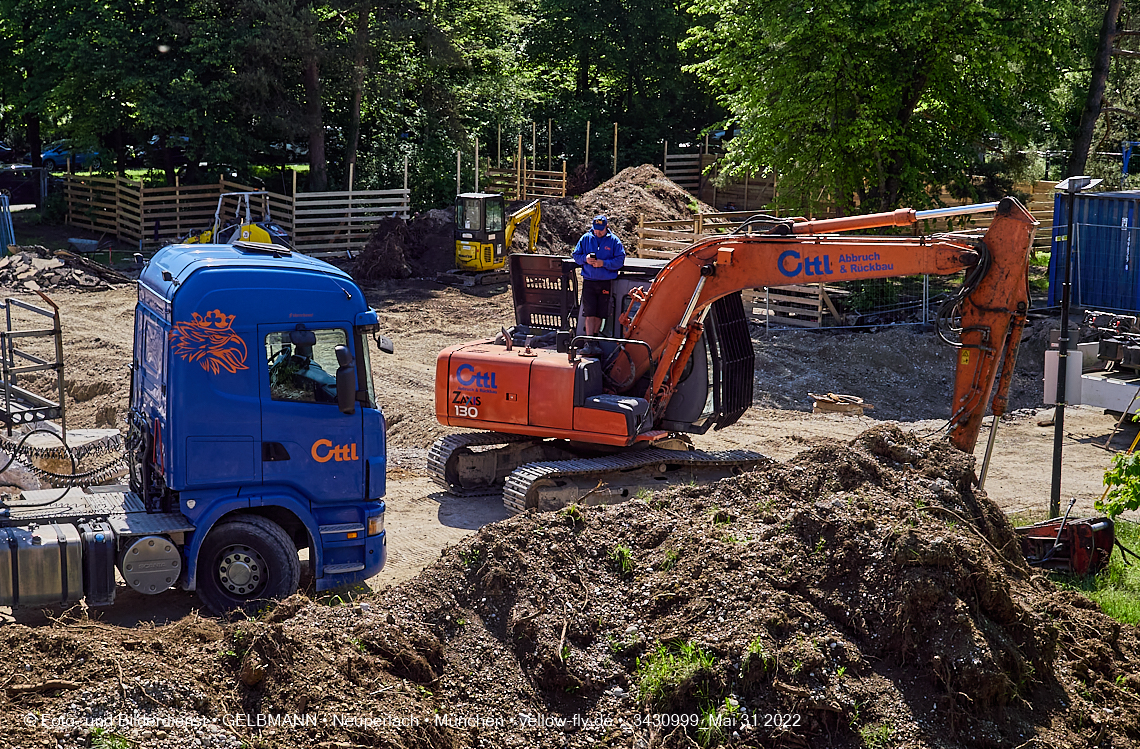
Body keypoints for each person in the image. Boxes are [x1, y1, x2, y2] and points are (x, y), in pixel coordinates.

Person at [571, 214, 625, 356]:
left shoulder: (614, 241)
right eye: (596, 229)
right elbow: (576, 255)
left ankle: (594, 339)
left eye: (600, 229)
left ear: (606, 227)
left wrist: (604, 263)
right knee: (589, 313)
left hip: (605, 281)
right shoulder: (586, 238)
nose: (598, 232)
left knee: (600, 313)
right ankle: (589, 342)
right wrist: (585, 259)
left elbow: (620, 261)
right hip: (589, 280)